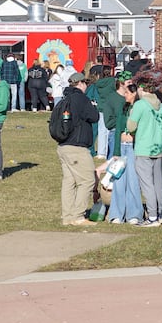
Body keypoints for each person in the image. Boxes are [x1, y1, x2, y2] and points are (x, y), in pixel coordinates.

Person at [54, 70, 100, 225]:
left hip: (63, 145)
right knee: (87, 180)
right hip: (77, 147)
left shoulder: (65, 98)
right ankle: (78, 216)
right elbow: (94, 117)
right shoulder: (81, 99)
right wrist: (93, 105)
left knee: (69, 181)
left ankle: (67, 216)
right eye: (85, 83)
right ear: (80, 83)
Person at [120, 76, 162, 227]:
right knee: (157, 183)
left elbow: (131, 127)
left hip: (143, 148)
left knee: (147, 185)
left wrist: (133, 115)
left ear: (141, 89)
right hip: (158, 148)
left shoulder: (140, 105)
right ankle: (159, 214)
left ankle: (152, 217)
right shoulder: (161, 106)